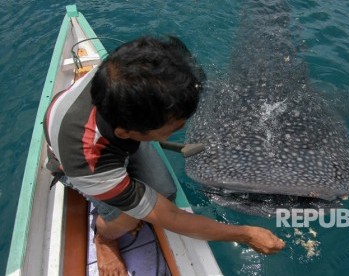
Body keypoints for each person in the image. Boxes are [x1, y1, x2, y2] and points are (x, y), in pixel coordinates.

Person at [44, 36, 285, 275]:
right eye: (174, 127)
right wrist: (246, 234)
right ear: (129, 132)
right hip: (80, 164)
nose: (181, 130)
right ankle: (104, 239)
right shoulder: (91, 163)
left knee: (165, 192)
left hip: (118, 139)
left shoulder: (122, 76)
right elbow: (170, 217)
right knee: (128, 218)